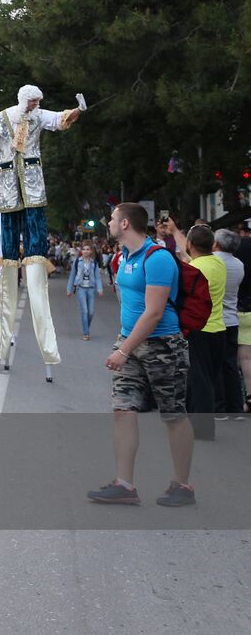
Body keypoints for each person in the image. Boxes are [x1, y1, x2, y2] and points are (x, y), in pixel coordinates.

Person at [87, 202, 193, 507]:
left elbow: (155, 312)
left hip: (163, 346)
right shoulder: (124, 256)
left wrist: (123, 349)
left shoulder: (157, 258)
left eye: (112, 219)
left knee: (173, 414)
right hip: (129, 343)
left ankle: (183, 485)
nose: (107, 222)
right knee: (123, 409)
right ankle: (124, 484)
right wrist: (125, 345)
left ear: (124, 224)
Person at [0, 84, 83, 379]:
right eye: (34, 102)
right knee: (11, 248)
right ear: (24, 101)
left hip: (33, 184)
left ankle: (37, 261)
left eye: (39, 102)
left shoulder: (38, 115)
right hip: (9, 187)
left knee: (36, 242)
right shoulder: (2, 117)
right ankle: (12, 271)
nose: (37, 106)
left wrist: (77, 111)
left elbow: (59, 120)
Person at [184, 225, 225, 435]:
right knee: (207, 378)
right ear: (213, 245)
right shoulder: (219, 264)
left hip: (199, 329)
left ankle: (202, 428)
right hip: (219, 328)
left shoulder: (194, 268)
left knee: (198, 380)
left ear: (190, 244)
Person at [211, 229, 244, 419]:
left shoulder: (214, 261)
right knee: (231, 364)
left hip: (217, 320)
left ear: (216, 244)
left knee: (215, 364)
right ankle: (236, 408)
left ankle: (219, 408)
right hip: (233, 319)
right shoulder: (238, 264)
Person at [66, 242, 104, 339]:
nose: (86, 251)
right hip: (80, 288)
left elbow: (98, 277)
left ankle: (86, 326)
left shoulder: (94, 263)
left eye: (88, 249)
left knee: (91, 312)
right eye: (84, 249)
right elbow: (72, 276)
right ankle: (86, 333)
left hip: (91, 288)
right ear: (81, 251)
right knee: (85, 311)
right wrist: (69, 289)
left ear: (91, 251)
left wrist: (100, 288)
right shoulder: (77, 262)